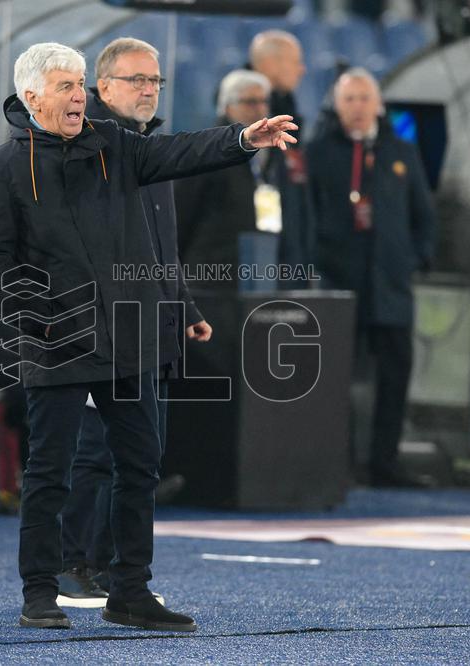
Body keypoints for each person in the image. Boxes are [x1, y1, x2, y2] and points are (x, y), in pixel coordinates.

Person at [0, 42, 295, 632]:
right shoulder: (0, 169)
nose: (78, 96)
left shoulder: (116, 145)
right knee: (49, 473)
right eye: (66, 87)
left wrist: (242, 139)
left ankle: (130, 591)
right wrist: (43, 314)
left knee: (140, 467)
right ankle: (39, 592)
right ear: (32, 96)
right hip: (56, 343)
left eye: (79, 86)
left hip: (129, 340)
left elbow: (180, 150)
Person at [56, 37, 211, 607]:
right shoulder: (80, 146)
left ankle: (107, 568)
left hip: (152, 327)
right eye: (136, 80)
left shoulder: (149, 150)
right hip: (101, 329)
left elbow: (160, 249)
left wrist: (185, 308)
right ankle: (69, 566)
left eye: (155, 81)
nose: (148, 89)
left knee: (140, 455)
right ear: (101, 86)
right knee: (94, 449)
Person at [305, 68, 435, 486]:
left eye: (365, 98)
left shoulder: (402, 152)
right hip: (338, 284)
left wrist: (412, 260)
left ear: (379, 105)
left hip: (392, 287)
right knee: (333, 378)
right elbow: (307, 214)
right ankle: (335, 462)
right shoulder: (319, 152)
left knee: (394, 376)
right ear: (337, 106)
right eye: (349, 99)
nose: (358, 107)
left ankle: (385, 461)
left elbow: (424, 215)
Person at [175, 69, 273, 290]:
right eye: (250, 102)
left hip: (258, 270)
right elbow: (182, 211)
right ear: (227, 106)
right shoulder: (207, 149)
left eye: (263, 101)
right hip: (210, 275)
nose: (260, 110)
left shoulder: (272, 150)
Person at [248, 30, 313, 285]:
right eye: (295, 61)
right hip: (252, 255)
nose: (302, 70)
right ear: (270, 65)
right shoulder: (241, 116)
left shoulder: (289, 110)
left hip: (289, 251)